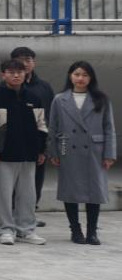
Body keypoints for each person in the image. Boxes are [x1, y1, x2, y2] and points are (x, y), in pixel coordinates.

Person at [48, 61, 116, 246]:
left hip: (94, 151)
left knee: (94, 192)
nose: (80, 78)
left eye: (85, 75)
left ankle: (92, 232)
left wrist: (109, 154)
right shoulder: (59, 99)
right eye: (77, 74)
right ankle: (75, 230)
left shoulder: (101, 99)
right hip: (67, 149)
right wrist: (53, 152)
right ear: (70, 76)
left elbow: (109, 128)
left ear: (91, 78)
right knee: (70, 191)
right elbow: (53, 127)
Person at [0, 59, 49, 246]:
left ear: (25, 74)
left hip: (29, 155)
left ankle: (26, 230)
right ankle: (6, 230)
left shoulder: (34, 98)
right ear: (3, 74)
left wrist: (41, 150)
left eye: (19, 72)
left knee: (28, 195)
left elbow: (42, 126)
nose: (16, 75)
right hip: (4, 155)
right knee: (4, 195)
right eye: (11, 72)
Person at [13, 46, 56, 227]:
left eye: (28, 60)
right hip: (14, 143)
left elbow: (51, 116)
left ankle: (30, 213)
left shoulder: (44, 87)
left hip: (37, 142)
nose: (25, 64)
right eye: (21, 60)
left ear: (34, 63)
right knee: (14, 180)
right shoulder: (8, 85)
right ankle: (13, 214)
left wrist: (45, 146)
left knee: (35, 180)